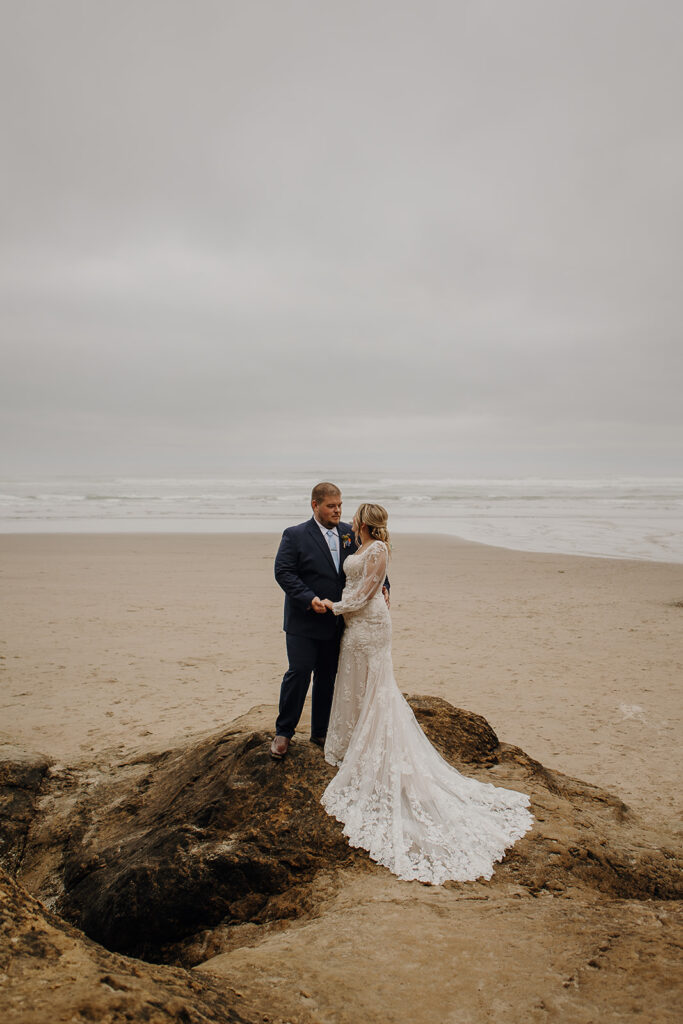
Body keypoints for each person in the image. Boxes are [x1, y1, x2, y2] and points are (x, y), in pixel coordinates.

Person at [320, 502, 534, 885]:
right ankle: (352, 740)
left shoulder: (379, 550)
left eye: (354, 516)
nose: (350, 519)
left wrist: (333, 607)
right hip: (355, 629)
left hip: (369, 625)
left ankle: (373, 747)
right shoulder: (361, 545)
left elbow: (368, 591)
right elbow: (359, 581)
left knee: (377, 688)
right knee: (354, 684)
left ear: (364, 523)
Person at [270, 482, 358, 760]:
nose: (337, 510)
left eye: (340, 505)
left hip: (336, 621)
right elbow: (284, 572)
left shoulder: (348, 533)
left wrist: (385, 584)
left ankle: (320, 731)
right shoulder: (295, 535)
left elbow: (366, 563)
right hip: (303, 621)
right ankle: (284, 732)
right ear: (315, 505)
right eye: (331, 506)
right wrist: (309, 599)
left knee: (327, 678)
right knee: (299, 673)